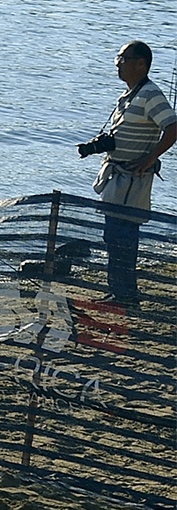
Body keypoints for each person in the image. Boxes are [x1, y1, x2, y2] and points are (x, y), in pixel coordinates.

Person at [81, 40, 176, 309]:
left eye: (123, 58)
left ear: (141, 64)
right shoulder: (129, 95)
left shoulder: (150, 94)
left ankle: (125, 294)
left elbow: (173, 127)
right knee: (113, 235)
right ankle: (118, 291)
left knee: (124, 235)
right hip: (116, 175)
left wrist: (150, 157)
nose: (117, 63)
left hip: (133, 179)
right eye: (118, 58)